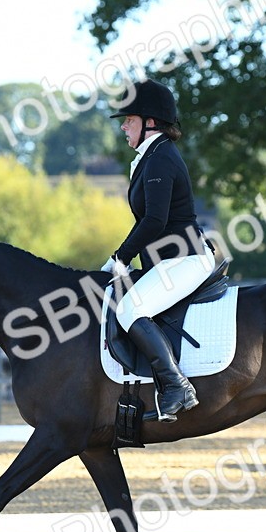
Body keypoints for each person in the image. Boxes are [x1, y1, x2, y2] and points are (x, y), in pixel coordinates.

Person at [104, 79, 216, 421]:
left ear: (150, 121)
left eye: (130, 119)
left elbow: (154, 220)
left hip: (185, 258)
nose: (123, 125)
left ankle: (176, 386)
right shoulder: (150, 156)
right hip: (166, 261)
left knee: (130, 311)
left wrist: (119, 258)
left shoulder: (161, 157)